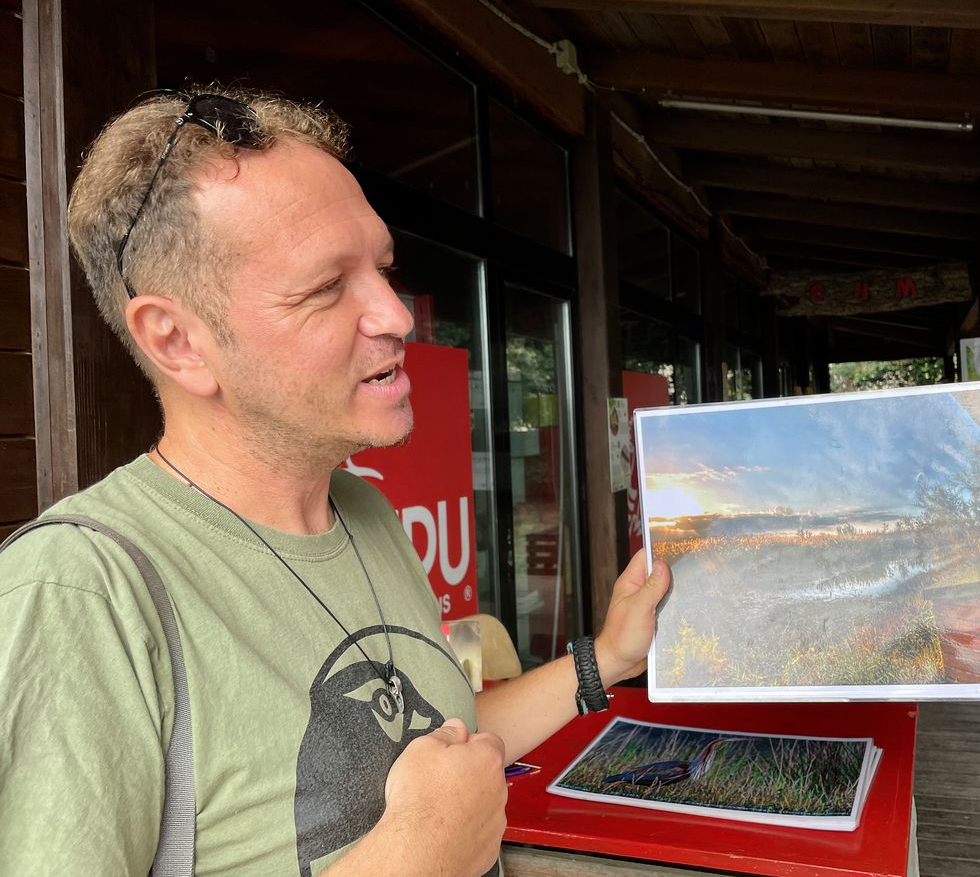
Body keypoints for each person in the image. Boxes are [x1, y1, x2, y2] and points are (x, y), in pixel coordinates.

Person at [0, 87, 670, 876]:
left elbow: (437, 745)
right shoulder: (80, 591)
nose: (394, 314)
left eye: (383, 270)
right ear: (177, 341)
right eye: (325, 288)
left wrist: (609, 659)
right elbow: (430, 823)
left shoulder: (365, 510)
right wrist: (419, 855)